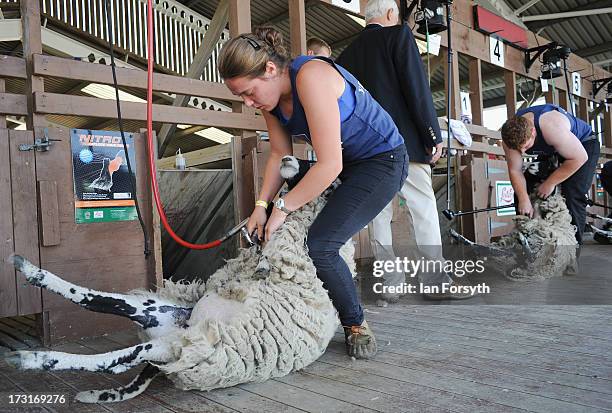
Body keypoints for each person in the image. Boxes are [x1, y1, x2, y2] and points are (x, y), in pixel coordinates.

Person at [217, 27, 408, 359]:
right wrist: (260, 207)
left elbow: (329, 163)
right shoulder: (271, 99)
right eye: (241, 97)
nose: (248, 102)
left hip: (382, 161)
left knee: (321, 244)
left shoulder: (312, 76)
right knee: (288, 165)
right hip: (346, 164)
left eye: (248, 92)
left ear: (270, 69)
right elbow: (277, 153)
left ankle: (356, 324)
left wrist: (282, 207)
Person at [336, 0, 471, 302]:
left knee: (378, 215)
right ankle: (434, 280)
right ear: (389, 15)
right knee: (422, 209)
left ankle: (391, 283)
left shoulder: (345, 56)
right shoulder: (398, 36)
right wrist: (432, 135)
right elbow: (416, 88)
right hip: (404, 143)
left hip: (364, 150)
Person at [501, 104, 600, 245]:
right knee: (523, 190)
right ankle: (527, 237)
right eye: (518, 149)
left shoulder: (551, 126)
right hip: (552, 149)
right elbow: (515, 170)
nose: (522, 152)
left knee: (573, 193)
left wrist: (550, 183)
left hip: (583, 146)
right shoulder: (510, 139)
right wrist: (523, 199)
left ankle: (570, 249)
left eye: (526, 147)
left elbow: (579, 158)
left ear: (533, 132)